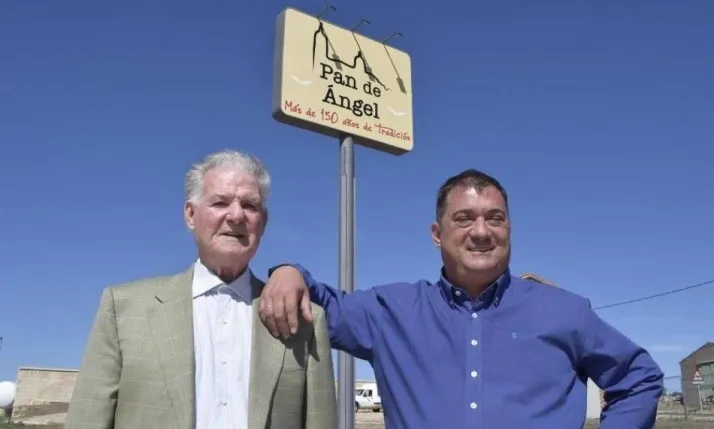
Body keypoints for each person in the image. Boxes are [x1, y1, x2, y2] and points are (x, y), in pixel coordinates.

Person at [259, 168, 664, 429]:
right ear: (438, 235)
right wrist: (288, 270)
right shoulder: (390, 312)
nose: (482, 232)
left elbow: (639, 378)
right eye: (464, 219)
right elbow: (321, 304)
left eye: (495, 218)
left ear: (509, 229)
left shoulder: (565, 311)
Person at [65, 150, 337, 429]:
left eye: (250, 205)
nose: (236, 215)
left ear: (263, 221)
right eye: (220, 202)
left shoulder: (305, 320)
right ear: (190, 215)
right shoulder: (123, 309)